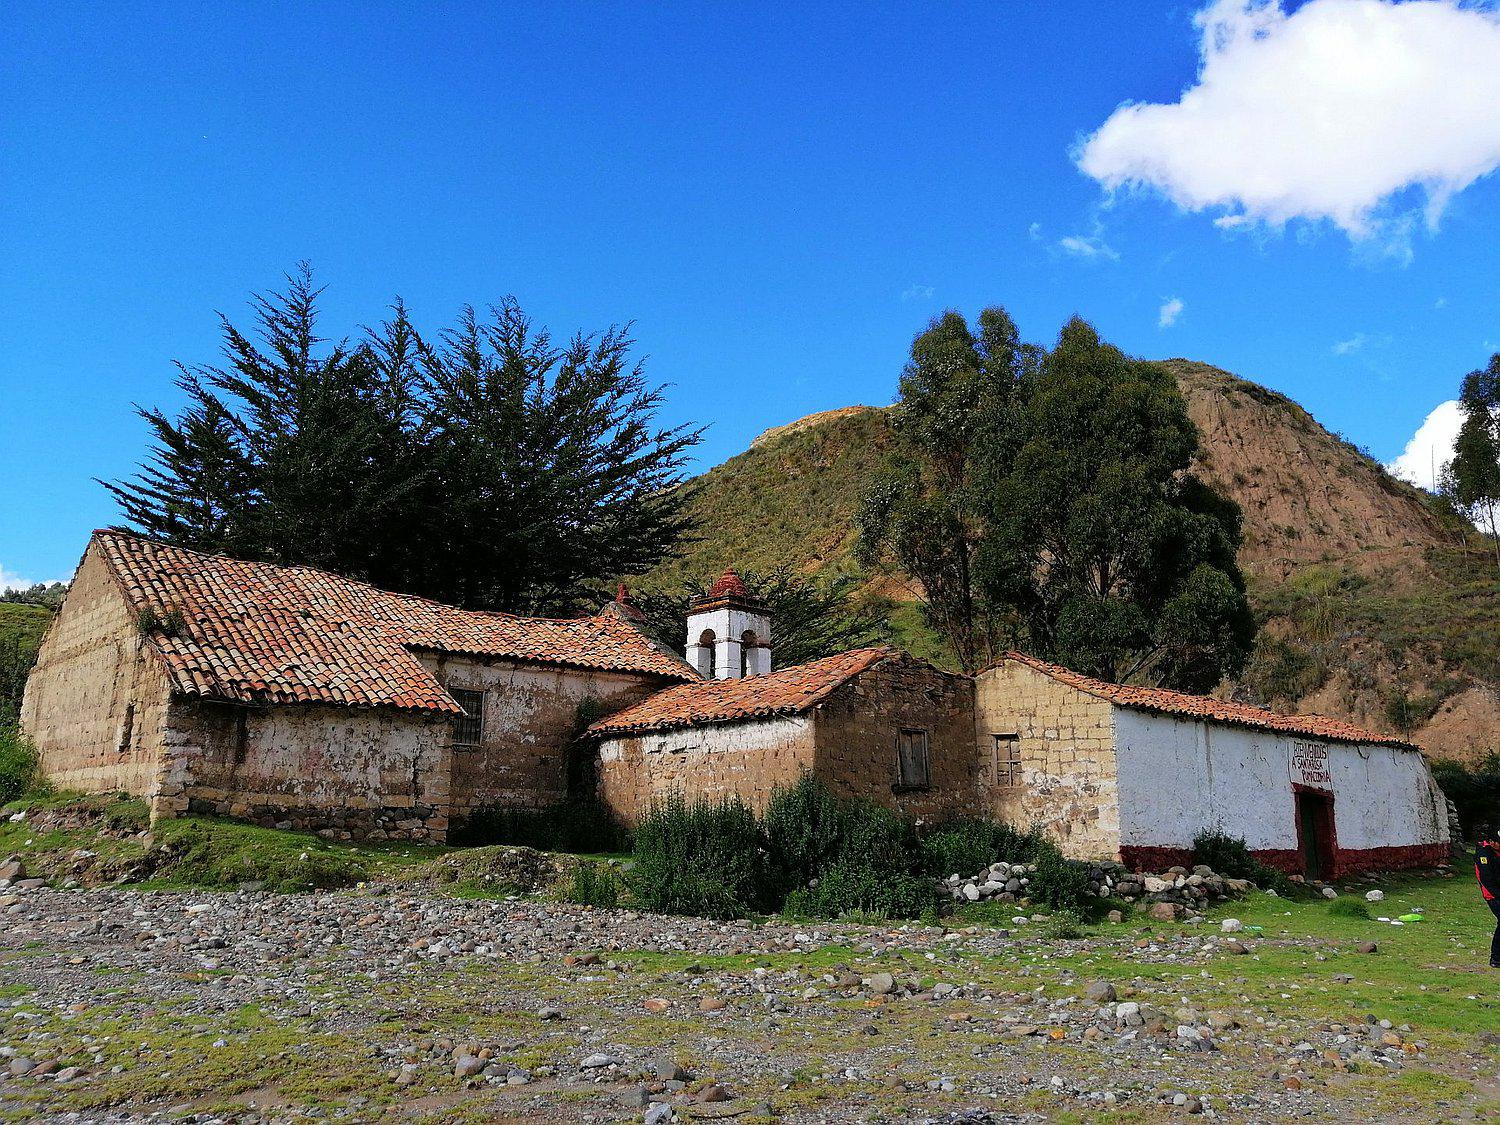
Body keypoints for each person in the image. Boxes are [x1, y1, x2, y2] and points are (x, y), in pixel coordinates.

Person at [1477, 832, 1500, 969]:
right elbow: (1487, 879)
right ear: (1492, 842)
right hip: (1492, 895)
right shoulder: (1483, 855)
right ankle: (1495, 958)